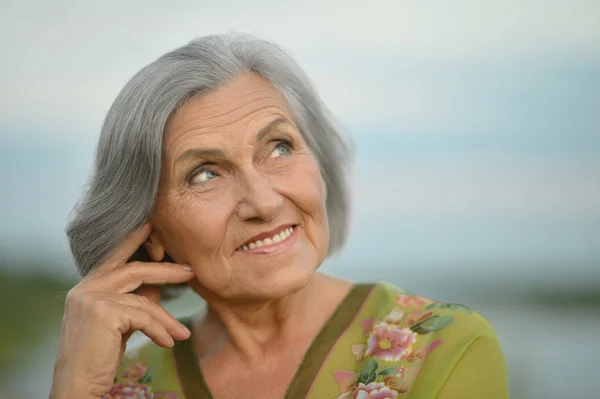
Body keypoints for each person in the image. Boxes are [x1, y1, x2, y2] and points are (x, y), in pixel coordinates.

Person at [50, 34, 508, 399]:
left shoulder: (441, 347)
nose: (264, 202)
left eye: (280, 147)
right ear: (146, 230)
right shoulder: (117, 385)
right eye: (205, 174)